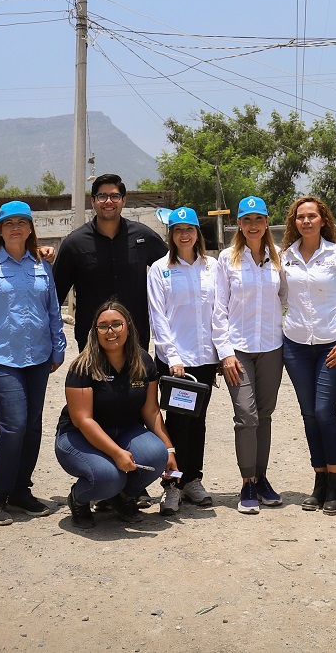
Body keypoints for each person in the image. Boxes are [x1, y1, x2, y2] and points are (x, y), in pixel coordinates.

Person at [0, 200, 67, 526]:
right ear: (0, 229)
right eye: (9, 223)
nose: (15, 228)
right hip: (2, 358)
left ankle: (21, 491)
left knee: (33, 425)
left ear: (30, 229)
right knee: (14, 425)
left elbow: (53, 308)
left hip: (38, 357)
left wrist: (58, 347)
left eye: (21, 222)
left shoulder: (41, 264)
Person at [55, 301, 177, 528]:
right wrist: (117, 453)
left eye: (116, 324)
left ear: (128, 326)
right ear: (95, 331)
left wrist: (169, 449)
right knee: (109, 476)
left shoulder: (143, 361)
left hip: (123, 430)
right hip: (79, 436)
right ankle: (79, 499)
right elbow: (83, 420)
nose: (110, 331)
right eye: (103, 326)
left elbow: (151, 410)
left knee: (157, 455)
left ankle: (120, 497)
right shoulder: (83, 366)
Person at [280, 195, 336, 515]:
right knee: (308, 414)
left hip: (330, 346)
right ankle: (319, 480)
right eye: (301, 217)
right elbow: (277, 298)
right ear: (294, 222)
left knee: (325, 411)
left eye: (312, 216)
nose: (306, 221)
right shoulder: (285, 257)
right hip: (295, 346)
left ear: (323, 220)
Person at [212, 195, 287, 514]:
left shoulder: (279, 256)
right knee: (247, 416)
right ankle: (247, 483)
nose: (253, 225)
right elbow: (218, 309)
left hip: (271, 347)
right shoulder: (227, 259)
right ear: (239, 224)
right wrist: (225, 353)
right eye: (247, 220)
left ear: (267, 222)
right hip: (238, 350)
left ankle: (261, 479)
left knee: (265, 415)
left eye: (258, 219)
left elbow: (285, 297)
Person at [146, 206, 220, 515]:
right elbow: (158, 317)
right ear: (171, 235)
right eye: (178, 230)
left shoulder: (212, 267)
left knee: (198, 421)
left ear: (197, 233)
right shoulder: (160, 269)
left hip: (204, 358)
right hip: (175, 362)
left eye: (189, 229)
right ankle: (172, 485)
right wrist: (174, 357)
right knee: (177, 424)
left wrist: (220, 352)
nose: (184, 235)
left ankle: (192, 479)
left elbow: (219, 311)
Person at [53, 173, 166, 349]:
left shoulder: (143, 237)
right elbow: (55, 296)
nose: (108, 201)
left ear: (123, 200)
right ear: (93, 201)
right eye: (102, 196)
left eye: (114, 196)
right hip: (92, 342)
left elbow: (172, 270)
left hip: (135, 339)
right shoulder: (74, 243)